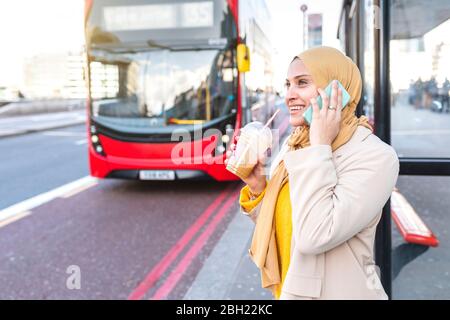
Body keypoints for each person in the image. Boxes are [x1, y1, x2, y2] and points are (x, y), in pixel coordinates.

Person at [225, 46, 399, 300]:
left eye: (302, 83)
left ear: (336, 90)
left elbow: (314, 235)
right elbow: (289, 225)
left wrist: (320, 146)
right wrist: (258, 187)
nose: (289, 95)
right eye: (287, 85)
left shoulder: (375, 156)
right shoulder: (295, 144)